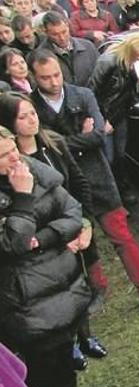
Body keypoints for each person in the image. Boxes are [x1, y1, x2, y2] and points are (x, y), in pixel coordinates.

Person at [28, 48, 139, 312]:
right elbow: (38, 147)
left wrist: (59, 140)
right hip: (62, 186)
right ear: (34, 77)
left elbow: (98, 136)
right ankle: (97, 288)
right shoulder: (31, 107)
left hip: (97, 177)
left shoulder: (82, 94)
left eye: (57, 74)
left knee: (122, 237)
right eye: (46, 78)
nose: (54, 82)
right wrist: (80, 138)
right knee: (84, 242)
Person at [0, 93, 109, 369]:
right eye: (22, 116)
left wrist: (79, 225)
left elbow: (74, 193)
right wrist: (27, 203)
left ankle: (84, 338)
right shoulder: (17, 178)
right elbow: (17, 241)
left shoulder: (52, 146)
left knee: (74, 294)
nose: (31, 120)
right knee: (48, 328)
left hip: (65, 243)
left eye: (33, 113)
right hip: (34, 273)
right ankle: (69, 351)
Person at [0, 125, 96, 387]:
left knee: (66, 346)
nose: (14, 158)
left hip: (60, 278)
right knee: (40, 359)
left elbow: (72, 212)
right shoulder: (22, 186)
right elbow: (13, 243)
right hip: (24, 292)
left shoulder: (36, 171)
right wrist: (24, 198)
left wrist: (43, 238)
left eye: (13, 149)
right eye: (3, 156)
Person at [87, 34, 139, 205]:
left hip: (119, 113)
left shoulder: (134, 62)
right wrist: (102, 120)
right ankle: (111, 199)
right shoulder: (108, 62)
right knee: (108, 158)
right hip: (103, 115)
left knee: (120, 156)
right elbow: (91, 93)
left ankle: (122, 191)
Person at [39, 12, 99, 88]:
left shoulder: (88, 46)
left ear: (68, 26)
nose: (62, 38)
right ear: (46, 32)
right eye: (55, 34)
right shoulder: (41, 56)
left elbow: (100, 74)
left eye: (64, 32)